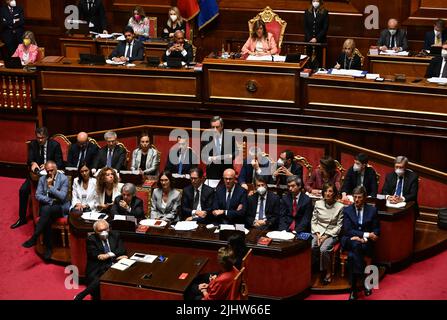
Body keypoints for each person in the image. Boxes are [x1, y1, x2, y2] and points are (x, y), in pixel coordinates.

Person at [11, 127, 63, 229]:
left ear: (47, 137)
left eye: (42, 138)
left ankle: (45, 218)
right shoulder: (33, 144)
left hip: (50, 176)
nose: (40, 140)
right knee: (23, 190)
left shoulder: (55, 145)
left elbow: (60, 163)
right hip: (35, 175)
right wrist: (32, 163)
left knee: (47, 193)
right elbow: (29, 160)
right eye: (38, 137)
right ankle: (22, 218)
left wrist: (48, 165)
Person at [22, 161, 70, 261]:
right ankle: (48, 249)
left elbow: (62, 196)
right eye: (47, 171)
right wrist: (50, 200)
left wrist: (50, 187)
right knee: (47, 216)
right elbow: (38, 195)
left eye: (52, 171)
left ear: (56, 169)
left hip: (59, 207)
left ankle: (35, 237)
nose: (49, 173)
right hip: (48, 207)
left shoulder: (64, 178)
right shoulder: (42, 179)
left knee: (45, 211)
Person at [341, 186, 380, 300]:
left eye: (359, 197)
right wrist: (365, 235)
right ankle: (364, 282)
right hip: (349, 239)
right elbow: (348, 230)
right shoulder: (347, 210)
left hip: (363, 243)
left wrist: (364, 239)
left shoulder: (372, 210)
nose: (356, 200)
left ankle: (353, 289)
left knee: (353, 255)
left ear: (365, 198)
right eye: (355, 197)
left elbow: (377, 230)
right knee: (356, 244)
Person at [74, 220, 127, 300]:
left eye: (105, 229)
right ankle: (83, 295)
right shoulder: (91, 239)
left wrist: (108, 255)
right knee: (102, 275)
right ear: (95, 231)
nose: (104, 232)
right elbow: (94, 254)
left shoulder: (115, 235)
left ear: (109, 228)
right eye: (100, 231)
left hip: (114, 262)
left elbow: (122, 250)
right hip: (99, 265)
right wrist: (113, 254)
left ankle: (81, 295)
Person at [311, 183, 344, 285]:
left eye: (330, 191)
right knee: (312, 246)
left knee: (324, 249)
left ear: (334, 193)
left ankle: (328, 272)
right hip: (318, 231)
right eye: (325, 191)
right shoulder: (318, 203)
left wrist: (326, 236)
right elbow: (314, 221)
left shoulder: (340, 206)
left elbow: (339, 226)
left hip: (331, 233)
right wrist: (318, 234)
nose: (327, 193)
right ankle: (315, 268)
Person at [304, 0, 329, 69]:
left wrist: (316, 38)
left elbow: (325, 28)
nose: (315, 2)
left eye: (317, 1)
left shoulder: (324, 12)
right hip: (309, 42)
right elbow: (305, 27)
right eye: (313, 0)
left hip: (320, 42)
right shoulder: (307, 12)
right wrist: (310, 39)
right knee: (308, 63)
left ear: (320, 2)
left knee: (319, 61)